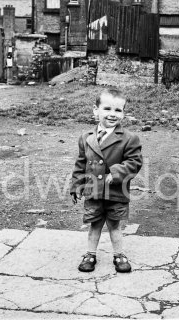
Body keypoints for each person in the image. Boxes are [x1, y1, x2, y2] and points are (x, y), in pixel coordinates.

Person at [70, 88, 143, 273]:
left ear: (124, 113)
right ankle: (90, 254)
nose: (112, 114)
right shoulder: (86, 138)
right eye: (107, 109)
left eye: (118, 110)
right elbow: (81, 164)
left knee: (114, 225)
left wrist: (117, 172)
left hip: (116, 192)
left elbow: (134, 162)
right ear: (96, 110)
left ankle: (119, 255)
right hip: (93, 191)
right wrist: (76, 185)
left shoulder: (129, 138)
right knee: (94, 224)